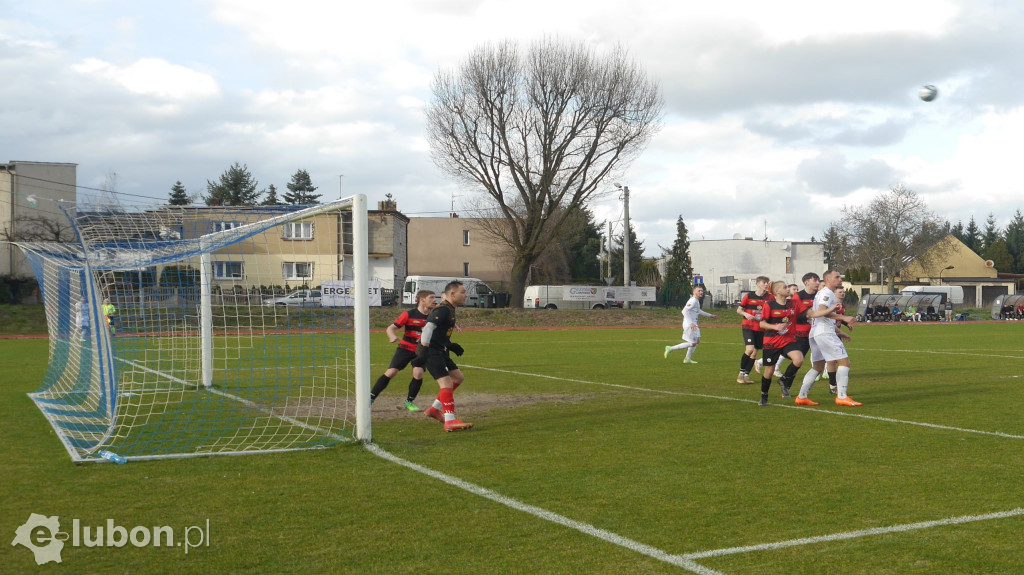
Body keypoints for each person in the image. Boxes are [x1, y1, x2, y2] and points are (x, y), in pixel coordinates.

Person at [794, 270, 859, 407]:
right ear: (828, 280)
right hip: (824, 333)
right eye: (837, 277)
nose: (840, 280)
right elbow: (822, 312)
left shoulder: (822, 293)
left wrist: (840, 332)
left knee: (818, 366)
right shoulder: (827, 293)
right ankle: (841, 396)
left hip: (816, 332)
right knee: (844, 363)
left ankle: (802, 396)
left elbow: (821, 314)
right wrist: (843, 317)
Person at [418, 281, 473, 432]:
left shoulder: (450, 309)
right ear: (452, 294)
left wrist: (450, 344)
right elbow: (428, 328)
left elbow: (439, 332)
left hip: (440, 349)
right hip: (431, 351)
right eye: (463, 292)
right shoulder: (443, 310)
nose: (465, 295)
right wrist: (423, 349)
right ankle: (450, 420)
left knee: (458, 378)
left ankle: (434, 409)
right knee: (446, 384)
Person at [370, 290, 436, 411]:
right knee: (391, 372)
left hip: (421, 350)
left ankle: (409, 402)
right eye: (431, 297)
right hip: (405, 348)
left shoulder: (434, 316)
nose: (435, 300)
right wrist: (392, 336)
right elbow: (390, 328)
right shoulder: (409, 314)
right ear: (422, 299)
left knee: (418, 373)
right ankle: (370, 398)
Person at [757, 281, 805, 406]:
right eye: (785, 287)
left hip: (788, 340)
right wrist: (775, 327)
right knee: (769, 370)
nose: (788, 289)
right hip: (771, 342)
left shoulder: (793, 303)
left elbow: (809, 312)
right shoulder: (769, 305)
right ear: (777, 291)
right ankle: (764, 396)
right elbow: (762, 324)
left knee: (799, 359)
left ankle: (783, 380)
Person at [774, 272, 819, 397]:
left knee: (824, 361)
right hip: (802, 334)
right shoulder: (798, 296)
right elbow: (794, 314)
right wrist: (808, 315)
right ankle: (786, 387)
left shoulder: (820, 295)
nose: (817, 282)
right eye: (814, 280)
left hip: (817, 333)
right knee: (798, 361)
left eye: (818, 280)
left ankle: (835, 386)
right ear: (806, 282)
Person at [665, 285, 716, 363]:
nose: (701, 292)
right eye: (699, 291)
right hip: (690, 324)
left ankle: (687, 359)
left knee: (697, 341)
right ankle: (670, 348)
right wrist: (691, 323)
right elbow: (684, 311)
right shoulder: (693, 301)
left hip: (693, 324)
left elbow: (698, 311)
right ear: (694, 292)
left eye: (702, 291)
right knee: (692, 343)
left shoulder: (696, 301)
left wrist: (710, 315)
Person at [736, 276, 771, 384]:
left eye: (767, 283)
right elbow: (739, 310)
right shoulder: (749, 296)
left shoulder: (770, 297)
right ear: (758, 284)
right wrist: (746, 314)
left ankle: (746, 376)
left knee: (754, 353)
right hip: (748, 326)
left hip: (761, 328)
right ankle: (740, 374)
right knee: (750, 349)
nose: (766, 284)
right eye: (764, 282)